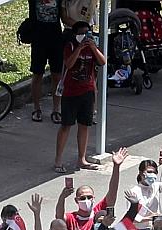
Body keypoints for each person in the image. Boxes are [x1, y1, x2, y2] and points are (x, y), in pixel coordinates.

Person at [52, 20, 107, 172]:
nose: (85, 36)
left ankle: (81, 159)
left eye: (87, 33)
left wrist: (93, 48)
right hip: (70, 92)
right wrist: (79, 49)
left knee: (84, 125)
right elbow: (69, 64)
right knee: (66, 125)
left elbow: (102, 62)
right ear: (75, 34)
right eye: (82, 33)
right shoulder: (70, 46)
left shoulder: (92, 47)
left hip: (87, 91)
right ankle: (58, 160)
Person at [25, 0, 67, 123]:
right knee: (37, 74)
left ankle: (56, 109)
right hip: (38, 40)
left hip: (56, 38)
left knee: (57, 75)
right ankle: (36, 108)